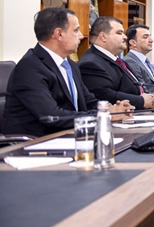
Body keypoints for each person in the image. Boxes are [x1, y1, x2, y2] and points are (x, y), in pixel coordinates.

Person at [3, 8, 130, 137]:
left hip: (69, 135)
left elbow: (88, 101)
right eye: (76, 30)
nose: (81, 36)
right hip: (35, 142)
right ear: (59, 34)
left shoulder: (70, 65)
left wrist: (111, 109)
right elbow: (52, 116)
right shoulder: (30, 68)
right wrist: (104, 115)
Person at [79, 17, 154, 110]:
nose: (125, 37)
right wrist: (141, 101)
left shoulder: (116, 60)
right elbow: (105, 95)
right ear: (103, 36)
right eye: (119, 33)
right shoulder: (90, 64)